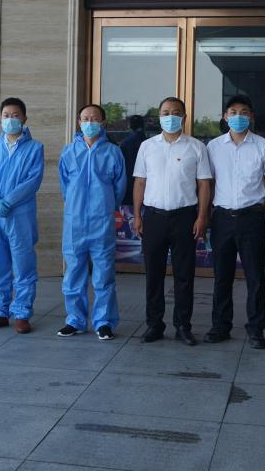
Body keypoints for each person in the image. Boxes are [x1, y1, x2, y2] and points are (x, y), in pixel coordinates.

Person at [133, 96, 212, 346]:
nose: (170, 117)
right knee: (153, 275)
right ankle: (154, 325)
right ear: (159, 117)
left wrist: (202, 216)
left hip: (185, 217)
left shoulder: (196, 147)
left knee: (184, 275)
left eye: (175, 112)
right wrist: (137, 215)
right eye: (165, 112)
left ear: (184, 117)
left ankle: (183, 326)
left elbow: (204, 184)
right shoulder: (147, 146)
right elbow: (140, 182)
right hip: (154, 217)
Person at [204, 95, 265, 349]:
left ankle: (256, 329)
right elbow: (208, 184)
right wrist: (205, 217)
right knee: (221, 276)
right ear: (225, 117)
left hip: (252, 217)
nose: (238, 116)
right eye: (233, 112)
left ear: (251, 117)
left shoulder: (263, 146)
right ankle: (220, 326)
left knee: (255, 277)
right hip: (222, 218)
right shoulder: (213, 147)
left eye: (244, 112)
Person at [57, 104, 127, 340]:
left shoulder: (113, 152)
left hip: (102, 222)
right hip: (74, 222)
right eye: (85, 118)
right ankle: (74, 320)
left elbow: (119, 188)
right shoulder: (69, 151)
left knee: (104, 274)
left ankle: (103, 321)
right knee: (73, 274)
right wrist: (75, 206)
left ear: (103, 122)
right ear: (79, 122)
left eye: (94, 118)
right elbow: (65, 185)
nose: (89, 122)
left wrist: (104, 206)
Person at [0, 97, 45, 334]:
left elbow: (32, 180)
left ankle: (22, 313)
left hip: (20, 215)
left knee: (23, 264)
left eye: (15, 115)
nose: (10, 119)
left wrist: (8, 201)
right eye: (6, 115)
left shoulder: (35, 148)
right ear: (0, 119)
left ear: (24, 119)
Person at [118, 114, 146, 208]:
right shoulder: (149, 142)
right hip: (147, 188)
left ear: (129, 126)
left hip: (128, 187)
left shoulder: (125, 143)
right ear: (143, 125)